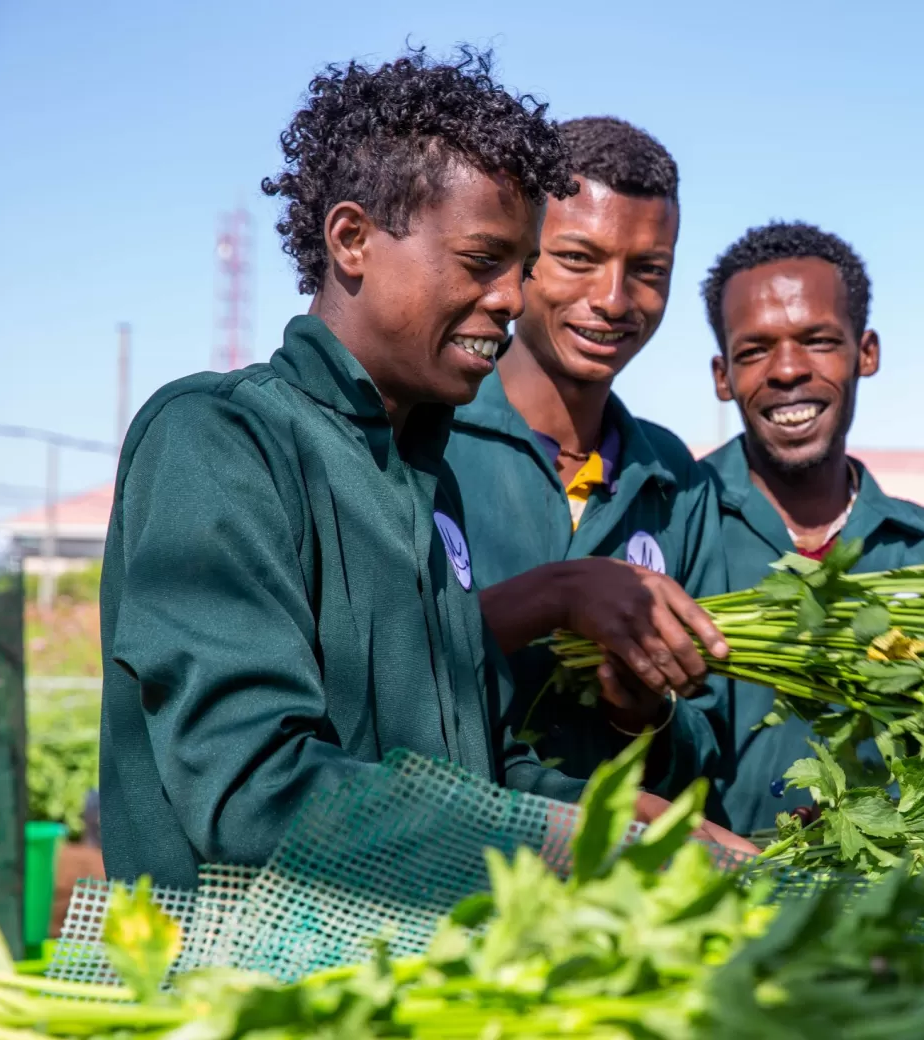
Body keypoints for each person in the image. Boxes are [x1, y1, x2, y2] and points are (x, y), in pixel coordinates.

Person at [98, 51, 746, 889]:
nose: (514, 298)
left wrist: (634, 824)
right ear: (352, 240)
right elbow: (255, 793)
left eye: (520, 267)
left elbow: (473, 774)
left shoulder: (420, 477)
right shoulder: (220, 441)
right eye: (484, 262)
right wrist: (561, 837)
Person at [445, 117, 731, 788]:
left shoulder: (675, 480)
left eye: (648, 271)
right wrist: (554, 598)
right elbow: (379, 677)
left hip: (624, 882)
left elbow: (707, 747)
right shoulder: (430, 436)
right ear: (522, 258)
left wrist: (644, 713)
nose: (612, 300)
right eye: (579, 258)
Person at [697, 221, 924, 835]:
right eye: (755, 349)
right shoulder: (675, 523)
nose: (788, 370)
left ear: (865, 353)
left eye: (818, 340)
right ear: (721, 375)